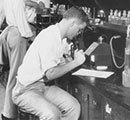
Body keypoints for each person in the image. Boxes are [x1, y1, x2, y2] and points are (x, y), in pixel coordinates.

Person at [12, 6, 89, 120]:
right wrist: (76, 62)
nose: (78, 33)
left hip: (44, 86)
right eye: (79, 29)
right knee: (52, 114)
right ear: (72, 23)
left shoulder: (60, 38)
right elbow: (50, 73)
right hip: (25, 90)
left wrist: (68, 60)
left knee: (73, 106)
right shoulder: (49, 36)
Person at [0, 0, 47, 120]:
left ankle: (7, 112)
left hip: (9, 33)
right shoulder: (19, 2)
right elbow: (22, 25)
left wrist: (35, 5)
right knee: (15, 77)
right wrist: (37, 39)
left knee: (9, 77)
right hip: (18, 36)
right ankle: (9, 114)